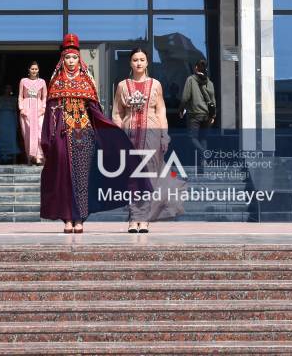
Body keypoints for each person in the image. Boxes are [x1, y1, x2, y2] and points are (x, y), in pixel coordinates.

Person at [39, 33, 147, 234]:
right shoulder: (56, 82)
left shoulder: (87, 80)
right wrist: (48, 140)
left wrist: (108, 133)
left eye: (74, 57)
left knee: (83, 178)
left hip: (84, 135)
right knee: (63, 178)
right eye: (67, 57)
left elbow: (96, 111)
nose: (71, 61)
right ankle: (67, 218)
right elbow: (49, 114)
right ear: (62, 59)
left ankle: (80, 218)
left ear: (79, 59)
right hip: (62, 136)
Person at [112, 48, 184, 233]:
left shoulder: (155, 85)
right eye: (135, 59)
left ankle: (144, 218)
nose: (138, 63)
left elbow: (161, 111)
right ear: (130, 62)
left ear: (147, 62)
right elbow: (117, 113)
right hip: (129, 134)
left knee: (149, 175)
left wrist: (164, 135)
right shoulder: (122, 86)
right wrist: (118, 135)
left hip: (151, 133)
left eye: (142, 59)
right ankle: (133, 217)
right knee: (131, 176)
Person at [179, 59, 216, 157]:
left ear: (196, 67)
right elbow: (213, 99)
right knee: (203, 138)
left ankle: (205, 153)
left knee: (192, 138)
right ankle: (204, 162)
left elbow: (185, 97)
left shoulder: (191, 79)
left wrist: (181, 109)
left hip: (194, 114)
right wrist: (213, 115)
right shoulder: (209, 82)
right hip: (207, 115)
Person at [18, 62, 47, 165]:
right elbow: (20, 96)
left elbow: (44, 96)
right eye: (32, 69)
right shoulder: (23, 81)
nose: (34, 71)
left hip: (38, 109)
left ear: (38, 70)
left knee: (39, 133)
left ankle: (40, 156)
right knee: (28, 133)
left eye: (36, 69)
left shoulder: (42, 82)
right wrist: (21, 108)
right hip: (27, 109)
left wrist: (43, 108)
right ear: (29, 70)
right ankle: (31, 157)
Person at [0, 85, 20, 163]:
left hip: (11, 123)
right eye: (7, 88)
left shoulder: (14, 99)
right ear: (3, 89)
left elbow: (15, 113)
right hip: (2, 122)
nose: (8, 90)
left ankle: (14, 159)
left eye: (10, 88)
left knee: (12, 140)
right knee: (1, 139)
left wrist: (17, 124)